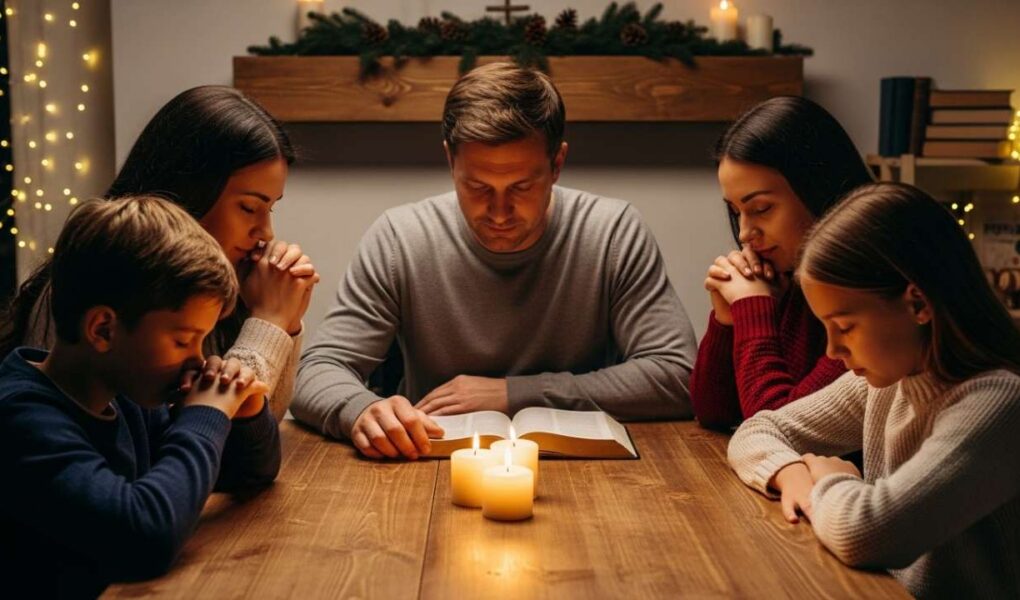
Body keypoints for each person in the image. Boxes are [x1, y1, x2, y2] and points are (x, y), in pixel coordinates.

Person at [294, 62, 698, 459]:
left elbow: (677, 374)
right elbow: (318, 370)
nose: (500, 212)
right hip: (425, 469)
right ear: (450, 160)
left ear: (557, 164)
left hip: (594, 474)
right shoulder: (400, 237)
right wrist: (360, 410)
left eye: (522, 186)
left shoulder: (612, 231)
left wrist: (513, 393)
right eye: (477, 186)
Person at [727, 183, 1020, 597]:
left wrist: (833, 479)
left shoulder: (999, 405)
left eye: (844, 326)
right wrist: (789, 472)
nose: (832, 349)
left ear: (918, 304)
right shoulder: (889, 380)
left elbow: (868, 532)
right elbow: (756, 429)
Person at [0, 196, 281, 597]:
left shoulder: (124, 396)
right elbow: (143, 535)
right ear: (103, 330)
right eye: (183, 340)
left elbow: (245, 475)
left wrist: (246, 411)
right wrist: (205, 417)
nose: (197, 359)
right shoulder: (20, 418)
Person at [1, 85, 318, 421]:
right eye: (249, 207)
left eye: (271, 209)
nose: (265, 232)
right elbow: (195, 445)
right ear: (191, 192)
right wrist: (268, 322)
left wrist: (287, 321)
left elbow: (261, 426)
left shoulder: (226, 282)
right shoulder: (100, 291)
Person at [689, 96, 873, 429]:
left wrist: (752, 307)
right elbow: (712, 412)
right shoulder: (787, 276)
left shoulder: (869, 296)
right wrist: (725, 321)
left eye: (760, 209)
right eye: (735, 212)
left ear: (819, 188)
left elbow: (778, 427)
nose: (744, 233)